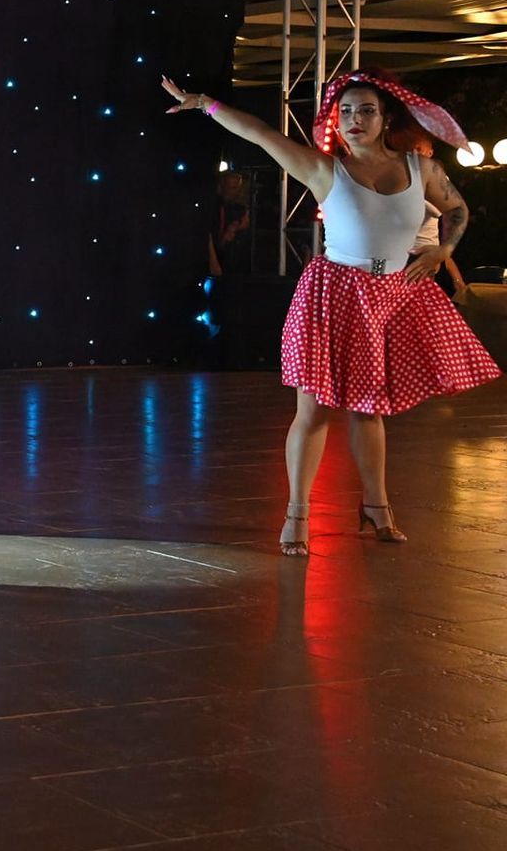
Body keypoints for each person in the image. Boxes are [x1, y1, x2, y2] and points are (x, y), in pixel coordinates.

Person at [163, 70, 498, 554]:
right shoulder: (325, 170)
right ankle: (297, 512)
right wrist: (205, 104)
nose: (354, 119)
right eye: (345, 112)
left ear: (385, 120)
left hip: (393, 292)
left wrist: (442, 251)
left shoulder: (420, 169)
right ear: (335, 123)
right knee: (314, 410)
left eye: (365, 111)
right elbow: (259, 133)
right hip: (334, 293)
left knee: (370, 410)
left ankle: (376, 507)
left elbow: (459, 210)